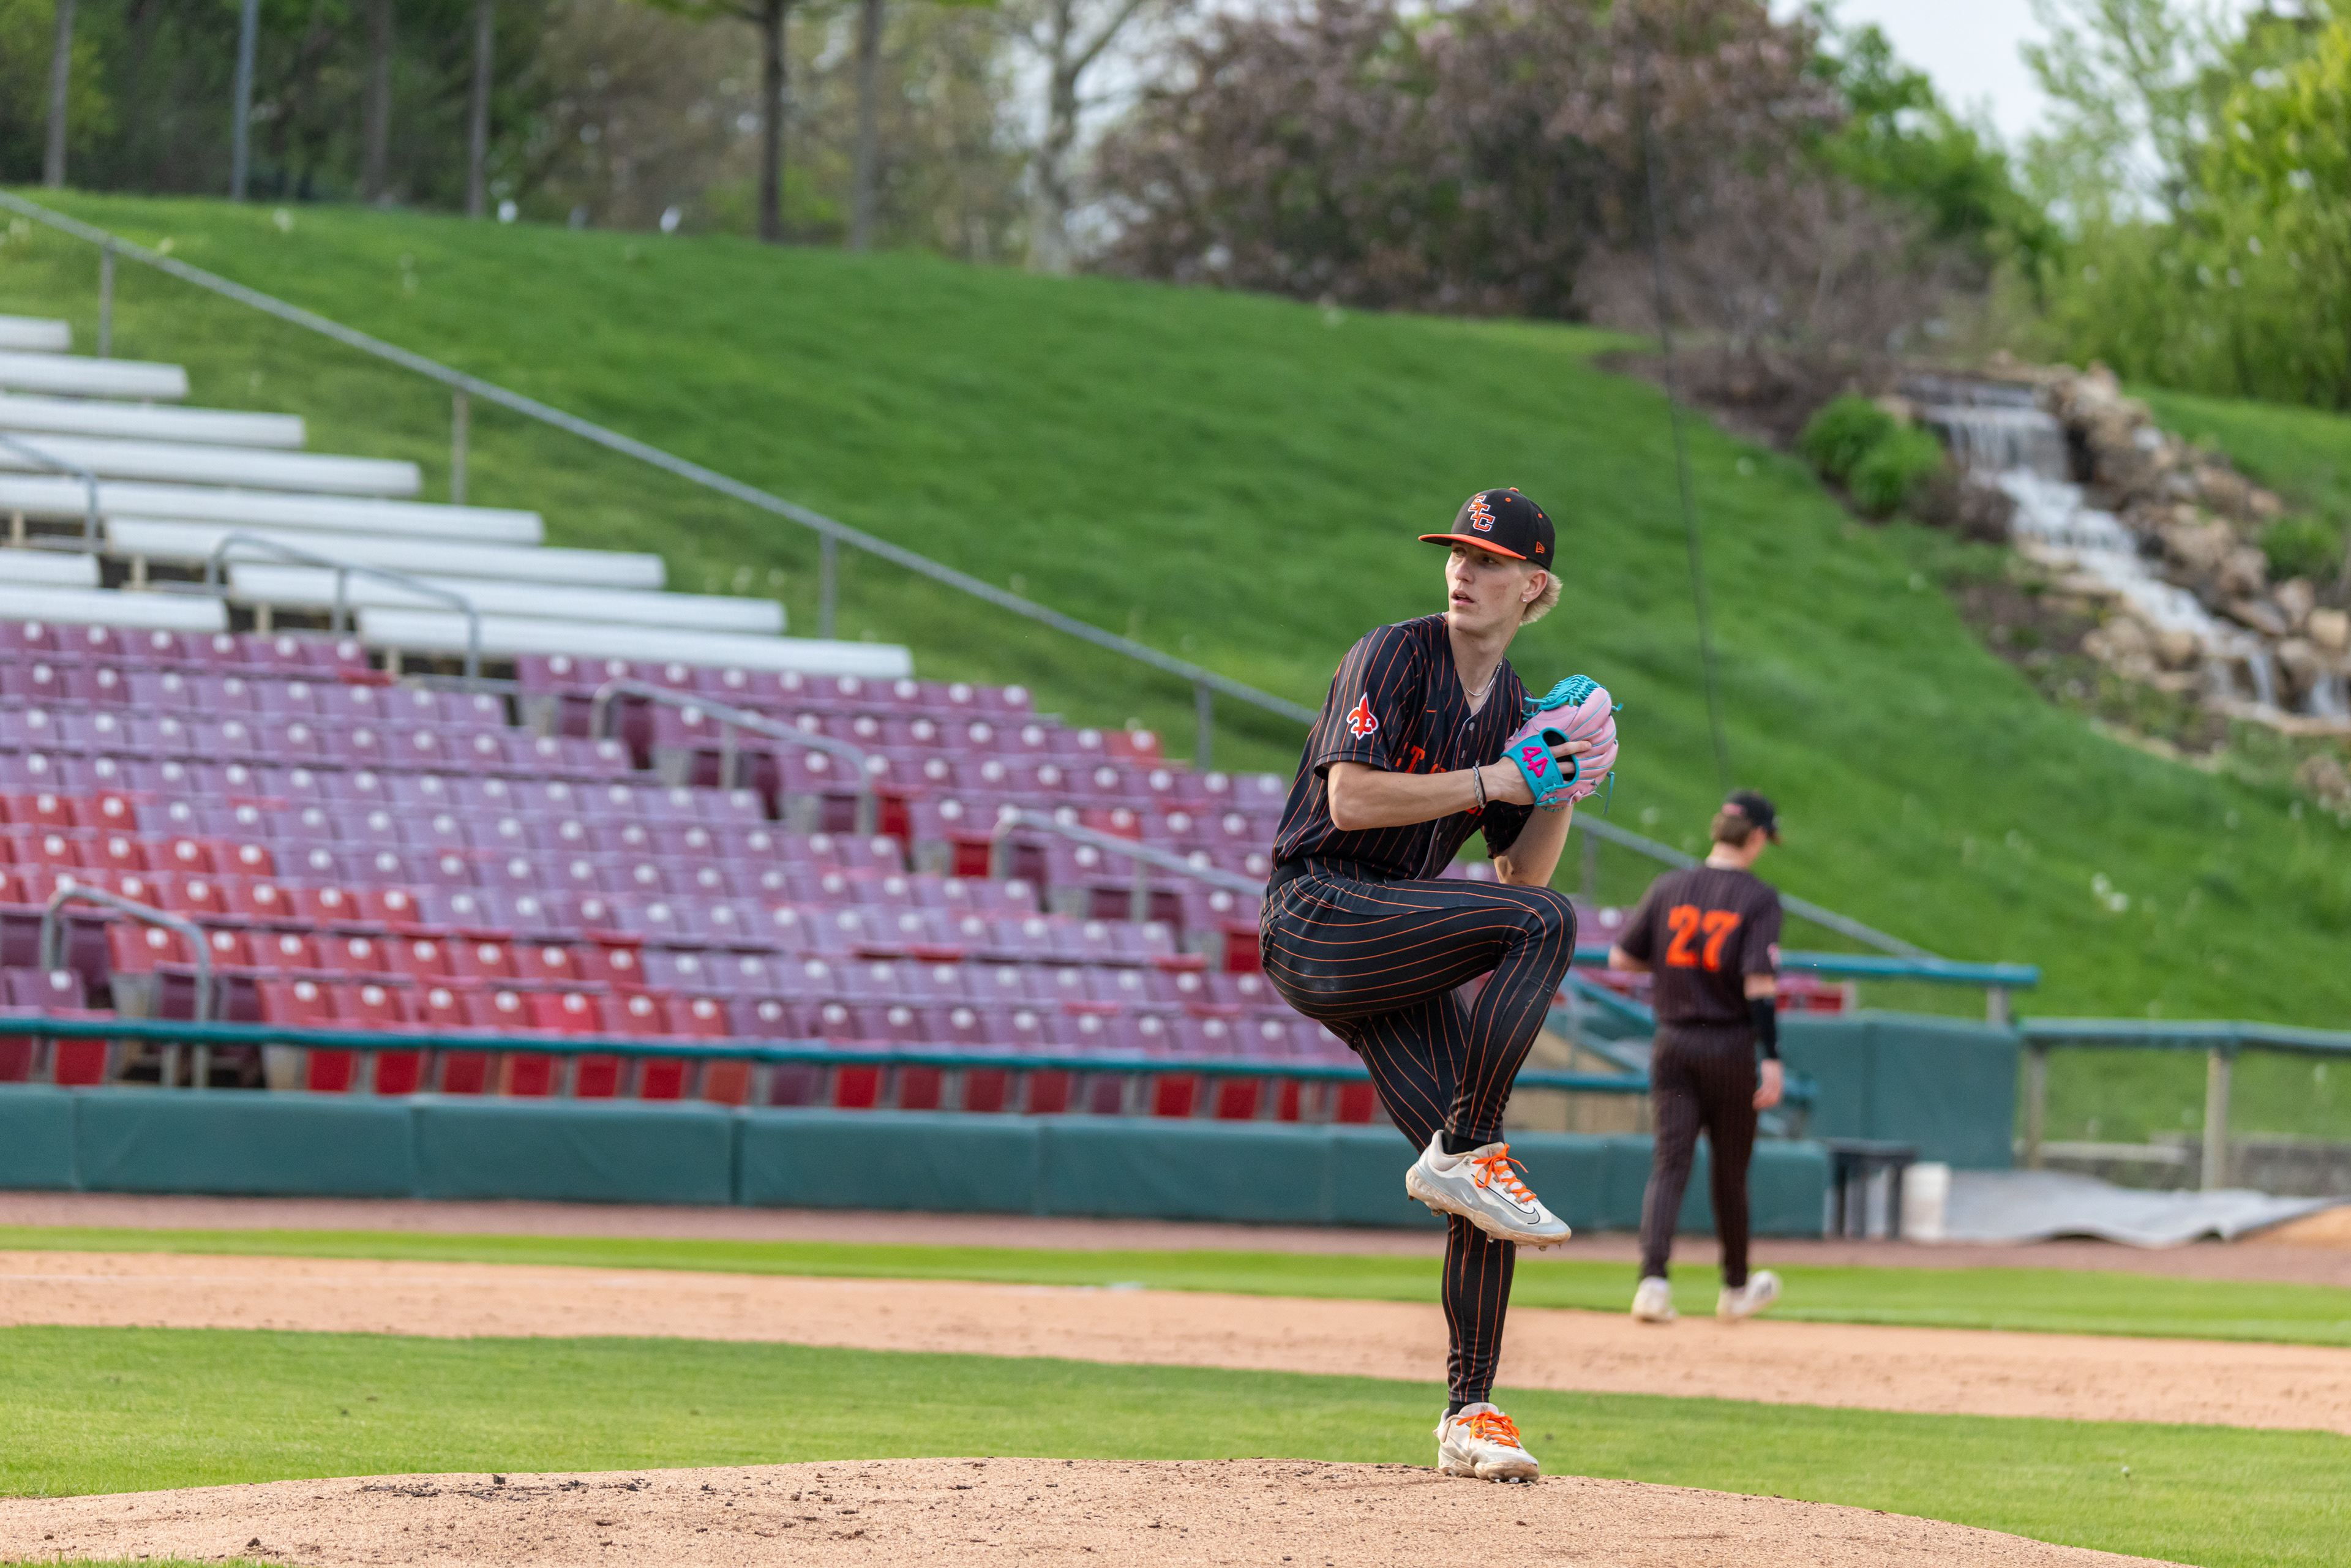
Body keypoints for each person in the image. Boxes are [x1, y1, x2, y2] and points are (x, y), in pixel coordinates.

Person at [1259, 487, 1591, 1484]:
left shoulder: (1516, 706)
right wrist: (1495, 781)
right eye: (1458, 553)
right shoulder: (1396, 654)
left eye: (1490, 561)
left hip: (1390, 939)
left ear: (1533, 587)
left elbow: (1520, 871)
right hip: (1317, 909)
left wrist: (1565, 781)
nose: (1463, 570)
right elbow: (1350, 798)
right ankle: (1466, 1148)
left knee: (1486, 1191)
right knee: (1550, 927)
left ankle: (1469, 1412)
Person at [1607, 790, 1788, 1326]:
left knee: (1670, 1163)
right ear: (1757, 836)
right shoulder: (1759, 898)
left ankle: (1652, 1283)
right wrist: (1772, 1057)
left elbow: (1621, 956)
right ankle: (1735, 1287)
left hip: (1673, 1042)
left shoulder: (1670, 886)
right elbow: (1759, 984)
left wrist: (1675, 970)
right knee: (1730, 1172)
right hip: (1729, 1045)